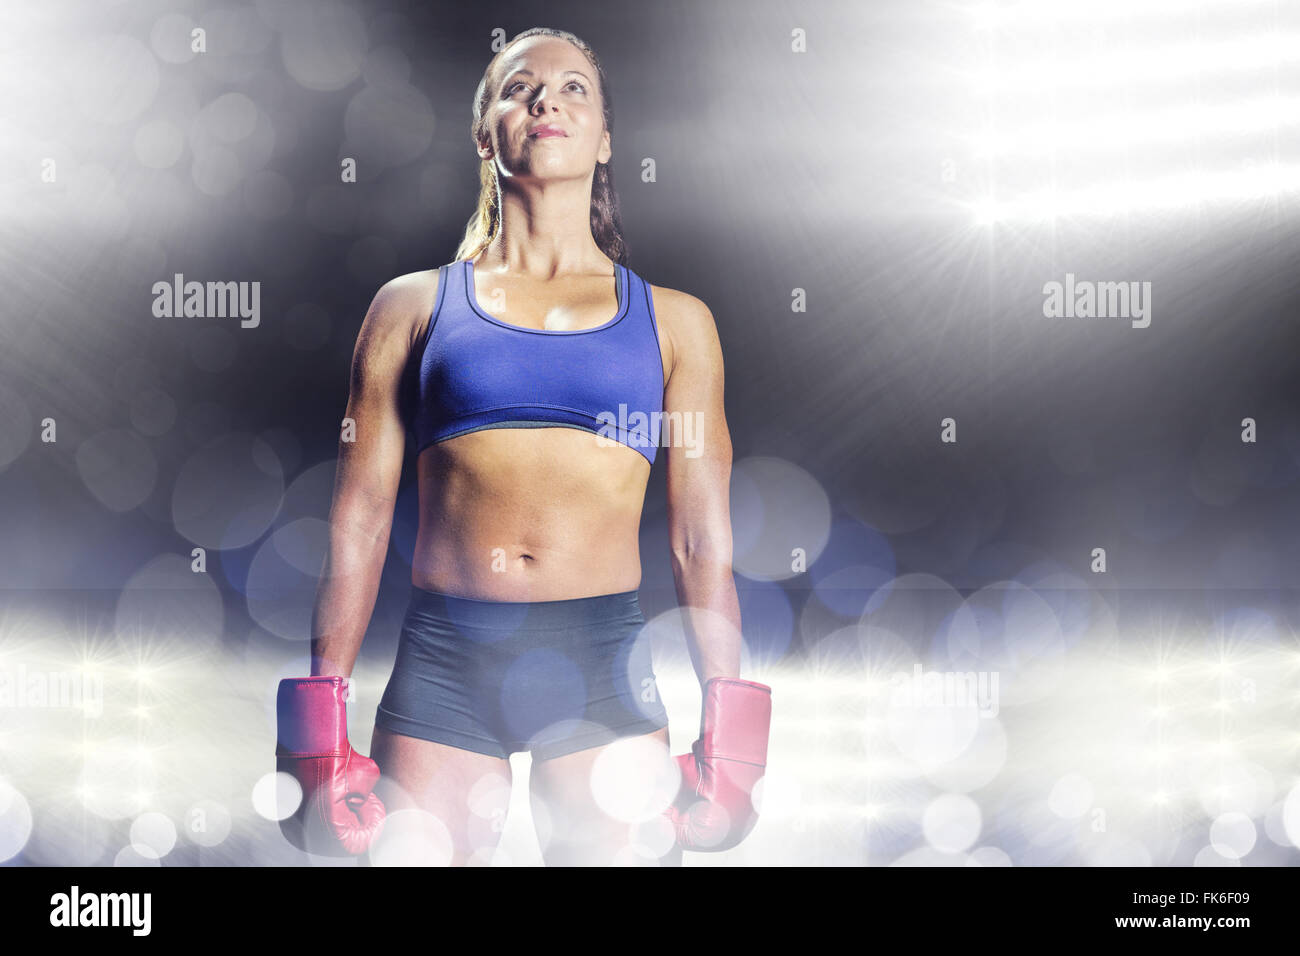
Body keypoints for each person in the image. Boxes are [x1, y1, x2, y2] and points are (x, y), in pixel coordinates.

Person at [274, 26, 771, 867]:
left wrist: (734, 726)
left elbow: (699, 541)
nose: (546, 100)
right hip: (444, 663)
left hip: (603, 662)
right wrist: (317, 720)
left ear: (606, 136)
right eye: (518, 87)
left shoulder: (679, 322)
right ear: (484, 133)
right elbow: (357, 519)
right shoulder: (410, 306)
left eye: (575, 87)